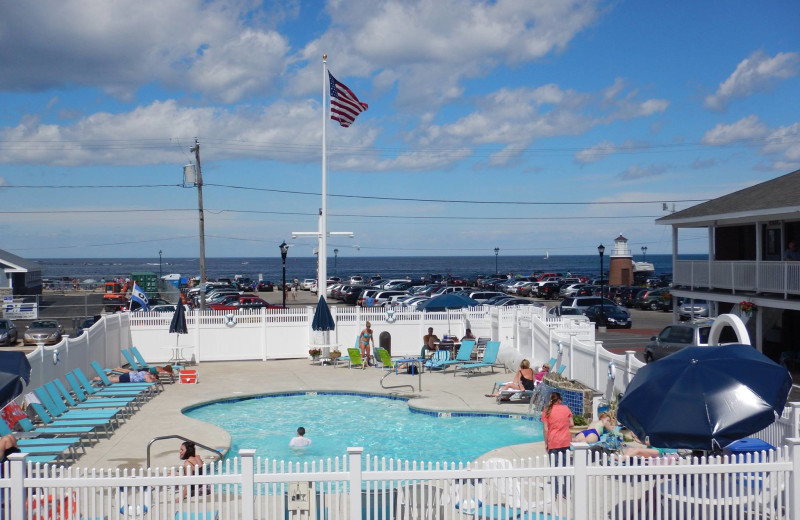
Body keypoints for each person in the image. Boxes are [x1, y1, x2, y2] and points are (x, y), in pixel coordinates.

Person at [541, 392, 573, 498]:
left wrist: (546, 443)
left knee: (554, 469)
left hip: (553, 442)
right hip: (565, 441)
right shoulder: (566, 409)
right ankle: (566, 493)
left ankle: (554, 494)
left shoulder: (546, 411)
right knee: (566, 467)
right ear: (559, 400)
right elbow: (572, 424)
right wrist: (563, 424)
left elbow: (546, 429)